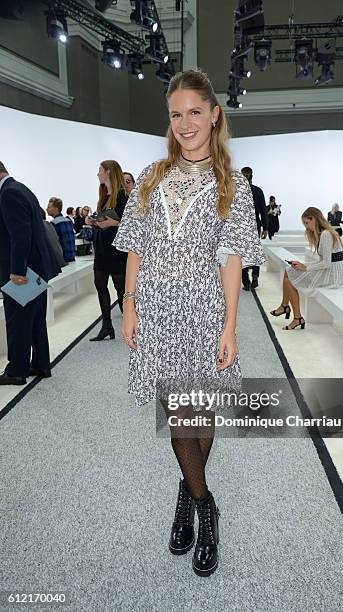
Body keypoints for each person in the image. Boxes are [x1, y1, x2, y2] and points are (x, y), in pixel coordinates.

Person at [113, 69, 264, 577]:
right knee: (183, 417)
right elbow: (134, 247)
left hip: (204, 314)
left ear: (214, 114)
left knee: (202, 416)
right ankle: (206, 508)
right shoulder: (152, 177)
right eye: (176, 114)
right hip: (157, 312)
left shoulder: (233, 185)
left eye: (194, 112)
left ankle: (187, 494)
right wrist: (129, 305)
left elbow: (231, 259)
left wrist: (229, 325)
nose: (185, 123)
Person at [0, 161, 60, 385]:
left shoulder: (8, 193)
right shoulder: (20, 188)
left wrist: (16, 271)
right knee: (35, 320)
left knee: (17, 322)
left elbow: (20, 235)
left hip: (23, 272)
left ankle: (16, 371)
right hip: (35, 269)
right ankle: (41, 364)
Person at [270, 207, 343, 330]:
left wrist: (305, 268)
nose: (306, 227)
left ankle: (295, 316)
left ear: (314, 219)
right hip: (329, 272)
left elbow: (327, 263)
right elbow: (325, 261)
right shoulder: (324, 233)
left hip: (332, 276)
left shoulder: (326, 234)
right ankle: (286, 308)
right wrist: (303, 265)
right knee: (288, 270)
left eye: (307, 223)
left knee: (288, 279)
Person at [86, 160, 128, 341]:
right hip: (102, 250)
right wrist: (93, 222)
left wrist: (114, 223)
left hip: (117, 250)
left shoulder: (122, 197)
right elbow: (103, 223)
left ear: (108, 172)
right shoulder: (103, 196)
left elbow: (131, 225)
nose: (98, 174)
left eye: (100, 171)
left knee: (121, 290)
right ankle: (106, 325)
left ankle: (131, 326)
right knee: (100, 285)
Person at [240, 166, 267, 290]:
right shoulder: (258, 191)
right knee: (255, 251)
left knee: (241, 253)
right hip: (254, 225)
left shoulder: (236, 191)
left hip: (241, 226)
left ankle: (245, 281)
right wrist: (265, 228)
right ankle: (255, 275)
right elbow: (263, 211)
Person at [47, 197, 76, 263]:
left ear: (56, 208)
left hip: (62, 260)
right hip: (72, 257)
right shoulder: (68, 221)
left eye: (49, 207)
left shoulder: (53, 223)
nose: (47, 209)